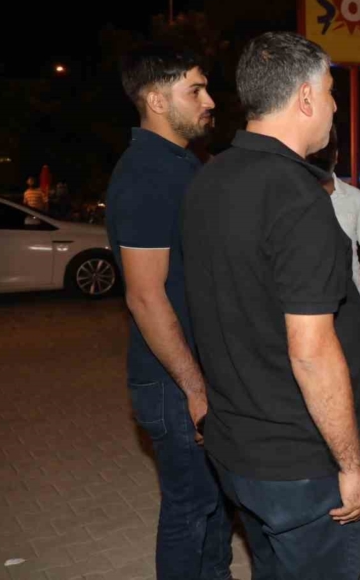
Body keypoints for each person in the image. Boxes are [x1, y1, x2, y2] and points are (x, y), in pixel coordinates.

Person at [182, 31, 360, 579]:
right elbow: (311, 352)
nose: (335, 106)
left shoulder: (209, 178)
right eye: (331, 92)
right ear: (306, 97)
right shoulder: (297, 198)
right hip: (304, 466)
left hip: (239, 452)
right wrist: (352, 464)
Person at [105, 42, 231, 580]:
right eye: (195, 90)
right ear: (157, 100)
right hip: (173, 382)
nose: (209, 100)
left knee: (215, 502)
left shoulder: (182, 163)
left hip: (198, 374)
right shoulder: (146, 174)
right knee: (190, 508)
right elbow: (144, 296)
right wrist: (195, 389)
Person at [308, 124, 360, 356]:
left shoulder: (354, 198)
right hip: (304, 313)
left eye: (326, 149)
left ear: (336, 155)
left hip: (350, 314)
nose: (320, 156)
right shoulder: (291, 198)